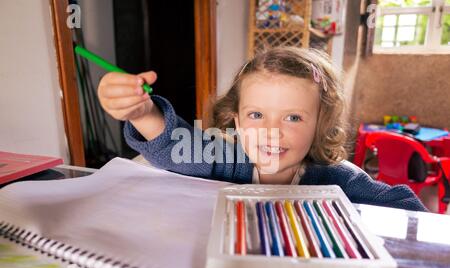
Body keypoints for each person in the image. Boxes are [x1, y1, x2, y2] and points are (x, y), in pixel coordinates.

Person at [97, 47, 427, 211]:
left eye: (293, 118)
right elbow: (172, 146)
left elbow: (409, 213)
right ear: (237, 122)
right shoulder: (223, 158)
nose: (271, 131)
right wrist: (141, 112)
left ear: (319, 124)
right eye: (257, 115)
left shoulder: (340, 179)